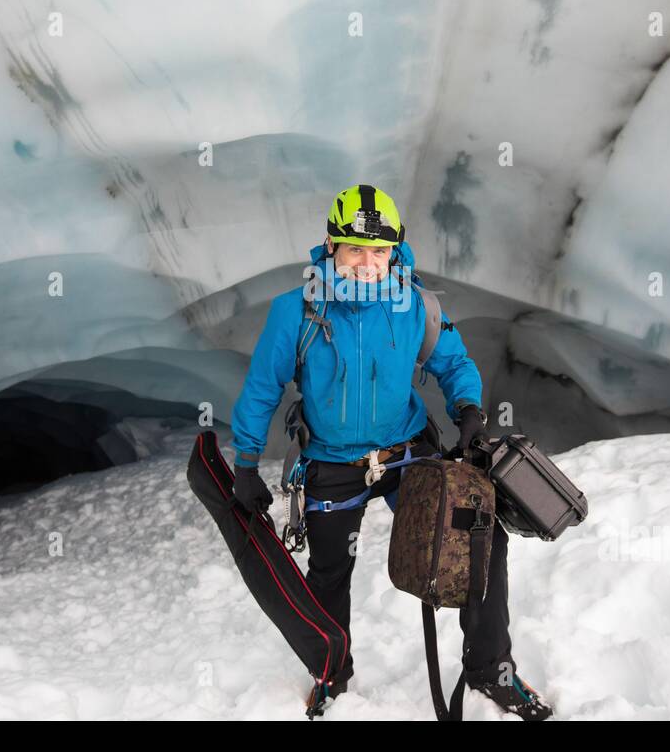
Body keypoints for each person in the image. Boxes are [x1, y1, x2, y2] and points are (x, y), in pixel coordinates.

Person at [229, 184, 552, 720]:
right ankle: (332, 675)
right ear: (331, 246)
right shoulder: (298, 311)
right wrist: (245, 463)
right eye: (355, 248)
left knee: (479, 540)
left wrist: (467, 409)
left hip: (406, 454)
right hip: (333, 462)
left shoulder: (415, 304)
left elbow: (452, 362)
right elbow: (262, 387)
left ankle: (492, 671)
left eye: (378, 251)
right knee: (330, 571)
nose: (367, 262)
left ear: (394, 251)